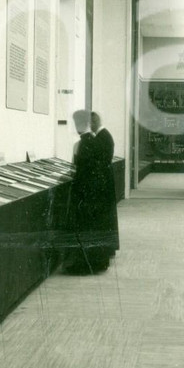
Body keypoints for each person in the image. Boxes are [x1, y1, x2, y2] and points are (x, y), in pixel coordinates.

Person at [65, 109, 112, 274]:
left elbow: (82, 171)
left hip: (86, 194)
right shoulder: (94, 141)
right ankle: (98, 262)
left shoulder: (84, 143)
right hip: (96, 193)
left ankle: (86, 265)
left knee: (86, 227)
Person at [90, 111, 120, 262]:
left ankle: (107, 248)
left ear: (93, 123)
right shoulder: (105, 136)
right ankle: (109, 247)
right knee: (107, 217)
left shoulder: (102, 137)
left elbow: (98, 161)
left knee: (104, 217)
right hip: (105, 180)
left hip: (102, 182)